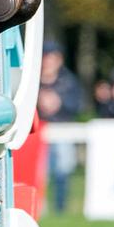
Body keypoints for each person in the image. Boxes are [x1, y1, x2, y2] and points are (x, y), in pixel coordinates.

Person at [34, 43, 84, 215]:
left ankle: (60, 209)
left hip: (62, 130)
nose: (48, 62)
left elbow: (77, 106)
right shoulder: (31, 81)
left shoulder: (68, 81)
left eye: (51, 58)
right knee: (39, 174)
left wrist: (58, 102)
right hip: (38, 133)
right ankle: (39, 209)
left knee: (63, 172)